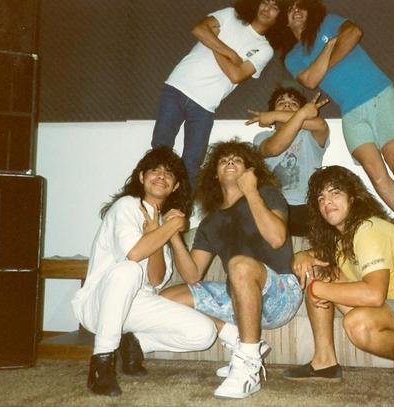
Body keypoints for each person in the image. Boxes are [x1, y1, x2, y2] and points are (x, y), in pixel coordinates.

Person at [282, 0, 394, 249]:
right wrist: (330, 46)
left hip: (378, 93)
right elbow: (309, 80)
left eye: (300, 5)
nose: (295, 10)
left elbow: (354, 32)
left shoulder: (327, 22)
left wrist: (322, 64)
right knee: (375, 173)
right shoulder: (293, 57)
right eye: (289, 8)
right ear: (285, 21)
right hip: (349, 111)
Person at [161, 139, 303, 399]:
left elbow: (276, 238)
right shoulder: (210, 223)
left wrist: (251, 192)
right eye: (223, 160)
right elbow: (192, 275)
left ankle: (248, 366)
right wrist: (173, 237)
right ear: (215, 174)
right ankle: (236, 336)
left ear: (250, 171)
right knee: (168, 298)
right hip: (238, 298)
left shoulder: (267, 195)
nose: (229, 162)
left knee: (239, 264)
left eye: (237, 159)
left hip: (281, 293)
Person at [284, 165, 394, 399]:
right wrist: (302, 255)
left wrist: (318, 289)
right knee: (318, 272)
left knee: (357, 324)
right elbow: (319, 260)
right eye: (321, 197)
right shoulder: (342, 239)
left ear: (353, 198)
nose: (327, 202)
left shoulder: (368, 228)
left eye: (335, 193)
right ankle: (324, 363)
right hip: (388, 310)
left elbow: (374, 295)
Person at [71, 146, 217, 397]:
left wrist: (162, 231)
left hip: (139, 305)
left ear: (175, 186)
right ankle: (101, 364)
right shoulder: (126, 206)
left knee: (205, 333)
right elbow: (134, 254)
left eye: (169, 173)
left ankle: (134, 343)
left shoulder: (163, 223)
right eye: (155, 170)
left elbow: (156, 278)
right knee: (128, 271)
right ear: (141, 177)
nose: (161, 175)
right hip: (100, 303)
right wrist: (170, 227)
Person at [151, 0, 287, 187]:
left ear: (280, 16)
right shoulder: (231, 14)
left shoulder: (265, 49)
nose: (267, 8)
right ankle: (152, 199)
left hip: (205, 105)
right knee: (160, 148)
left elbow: (236, 75)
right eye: (265, 2)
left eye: (275, 7)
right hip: (176, 87)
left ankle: (182, 205)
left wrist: (214, 42)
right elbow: (199, 29)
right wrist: (231, 54)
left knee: (192, 162)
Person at [248, 85, 330, 236]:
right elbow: (273, 148)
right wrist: (302, 113)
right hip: (274, 208)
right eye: (281, 102)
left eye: (293, 103)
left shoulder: (309, 135)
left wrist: (275, 115)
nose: (287, 105)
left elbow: (321, 125)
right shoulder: (262, 137)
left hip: (309, 208)